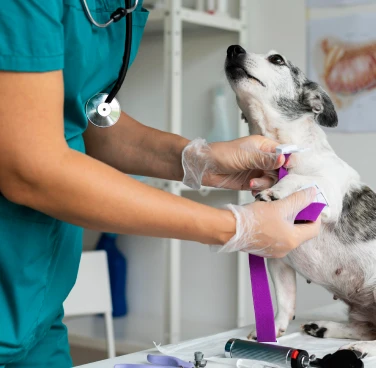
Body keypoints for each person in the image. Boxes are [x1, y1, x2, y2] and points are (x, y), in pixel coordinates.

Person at [0, 1, 320, 367]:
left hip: (39, 317)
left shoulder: (124, 8)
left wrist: (198, 160)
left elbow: (84, 114)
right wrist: (234, 227)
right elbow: (32, 168)